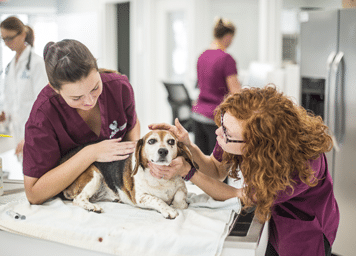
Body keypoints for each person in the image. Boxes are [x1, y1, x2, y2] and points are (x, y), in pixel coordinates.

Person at [149, 86, 339, 256]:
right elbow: (216, 169)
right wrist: (189, 146)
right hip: (272, 216)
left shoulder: (299, 166)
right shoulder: (235, 130)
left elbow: (240, 195)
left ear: (257, 145)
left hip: (304, 229)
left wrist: (189, 173)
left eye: (227, 134)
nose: (218, 133)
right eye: (222, 124)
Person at [22, 39, 140, 205]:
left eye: (95, 88)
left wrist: (133, 165)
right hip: (75, 197)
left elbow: (132, 124)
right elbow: (34, 194)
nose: (90, 101)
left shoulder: (119, 87)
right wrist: (91, 153)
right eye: (76, 98)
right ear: (55, 89)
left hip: (117, 193)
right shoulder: (43, 116)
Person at [0, 16, 48, 158]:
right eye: (3, 39)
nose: (6, 43)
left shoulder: (36, 64)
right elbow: (11, 99)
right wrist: (4, 115)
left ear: (23, 34)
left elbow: (43, 104)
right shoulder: (11, 66)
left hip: (35, 134)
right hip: (17, 133)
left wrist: (31, 136)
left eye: (9, 38)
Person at [192, 17, 242, 156]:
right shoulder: (226, 59)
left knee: (202, 163)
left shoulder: (202, 55)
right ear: (227, 37)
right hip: (214, 118)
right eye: (232, 38)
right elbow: (236, 93)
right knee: (219, 167)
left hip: (198, 114)